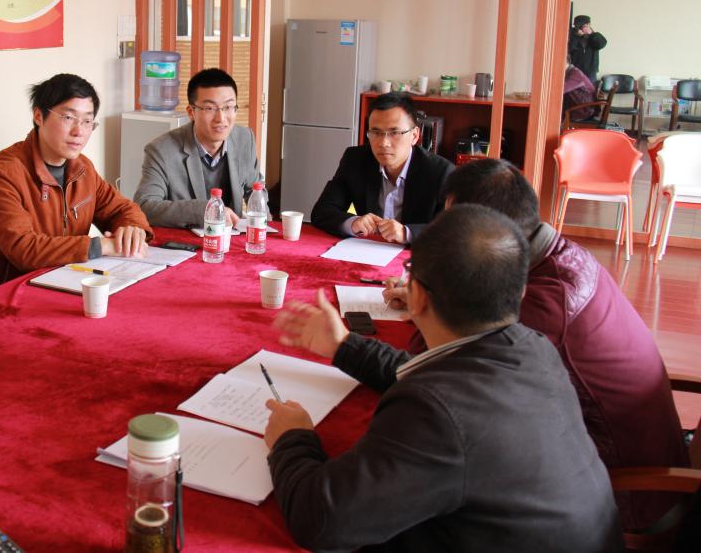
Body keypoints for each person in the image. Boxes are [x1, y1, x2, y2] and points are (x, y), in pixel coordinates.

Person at [264, 205, 623, 552]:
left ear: (416, 297)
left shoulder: (435, 414)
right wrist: (344, 346)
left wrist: (291, 438)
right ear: (520, 291)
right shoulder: (533, 346)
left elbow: (321, 521)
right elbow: (435, 373)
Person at [382, 158, 688, 530]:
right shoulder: (556, 254)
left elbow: (439, 367)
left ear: (487, 235)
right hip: (611, 452)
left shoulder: (546, 302)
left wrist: (427, 301)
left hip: (620, 492)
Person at [0, 73, 153, 295]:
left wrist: (132, 230)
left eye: (87, 121)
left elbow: (122, 209)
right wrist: (101, 245)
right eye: (68, 118)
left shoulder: (82, 168)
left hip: (62, 281)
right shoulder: (3, 174)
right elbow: (24, 250)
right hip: (2, 294)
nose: (79, 131)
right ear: (39, 116)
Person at [311, 92, 454, 244]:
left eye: (395, 132)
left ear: (414, 136)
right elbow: (322, 211)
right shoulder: (355, 160)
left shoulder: (442, 173)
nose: (384, 143)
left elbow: (454, 229)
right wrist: (354, 223)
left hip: (416, 255)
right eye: (376, 132)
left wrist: (406, 233)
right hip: (366, 251)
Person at [133, 68, 263, 228]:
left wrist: (265, 225)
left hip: (231, 238)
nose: (221, 118)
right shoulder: (161, 151)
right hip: (184, 240)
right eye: (210, 108)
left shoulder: (244, 139)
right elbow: (144, 207)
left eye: (228, 107)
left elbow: (256, 191)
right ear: (191, 112)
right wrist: (204, 210)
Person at [568, 14, 607, 83]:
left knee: (590, 89)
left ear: (589, 25)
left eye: (584, 26)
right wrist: (576, 36)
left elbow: (601, 44)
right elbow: (570, 49)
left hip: (591, 72)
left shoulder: (594, 36)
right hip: (575, 70)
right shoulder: (572, 34)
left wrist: (591, 34)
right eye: (578, 26)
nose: (581, 28)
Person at [563, 56, 599, 122]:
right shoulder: (572, 71)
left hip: (585, 111)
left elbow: (562, 90)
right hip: (582, 107)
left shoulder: (575, 74)